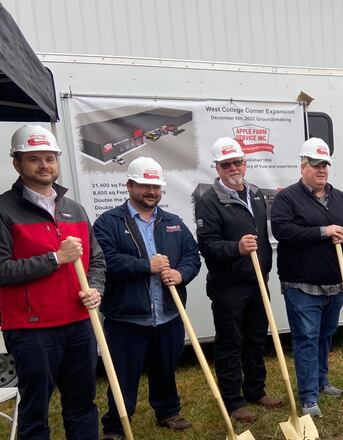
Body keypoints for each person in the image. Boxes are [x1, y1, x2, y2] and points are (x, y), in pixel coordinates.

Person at [0, 125, 105, 439]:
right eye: (34, 159)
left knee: (82, 403)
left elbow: (96, 260)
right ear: (17, 163)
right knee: (35, 410)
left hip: (79, 323)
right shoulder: (4, 210)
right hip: (31, 329)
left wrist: (96, 288)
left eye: (49, 158)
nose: (44, 165)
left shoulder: (74, 209)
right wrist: (55, 259)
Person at [93, 157, 201, 438]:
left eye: (155, 187)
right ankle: (116, 425)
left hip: (167, 314)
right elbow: (104, 260)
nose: (151, 192)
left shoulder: (172, 222)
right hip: (127, 317)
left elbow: (192, 255)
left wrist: (180, 274)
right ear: (130, 186)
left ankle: (168, 412)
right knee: (123, 375)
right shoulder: (109, 222)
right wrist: (145, 265)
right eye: (144, 186)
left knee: (165, 368)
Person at [270, 137, 343, 417]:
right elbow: (282, 230)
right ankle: (309, 397)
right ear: (303, 166)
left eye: (325, 165)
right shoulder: (287, 198)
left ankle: (322, 381)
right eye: (315, 165)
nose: (321, 170)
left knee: (325, 335)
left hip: (335, 284)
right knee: (307, 338)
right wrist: (323, 232)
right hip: (301, 286)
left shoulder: (340, 197)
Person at [195, 137, 282, 423]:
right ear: (217, 168)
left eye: (237, 162)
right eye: (226, 164)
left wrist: (265, 267)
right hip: (228, 285)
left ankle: (256, 389)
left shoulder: (255, 194)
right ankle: (234, 400)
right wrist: (236, 248)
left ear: (244, 164)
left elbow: (263, 239)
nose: (233, 168)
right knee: (230, 343)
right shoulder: (209, 201)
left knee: (256, 338)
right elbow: (207, 245)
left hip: (258, 281)